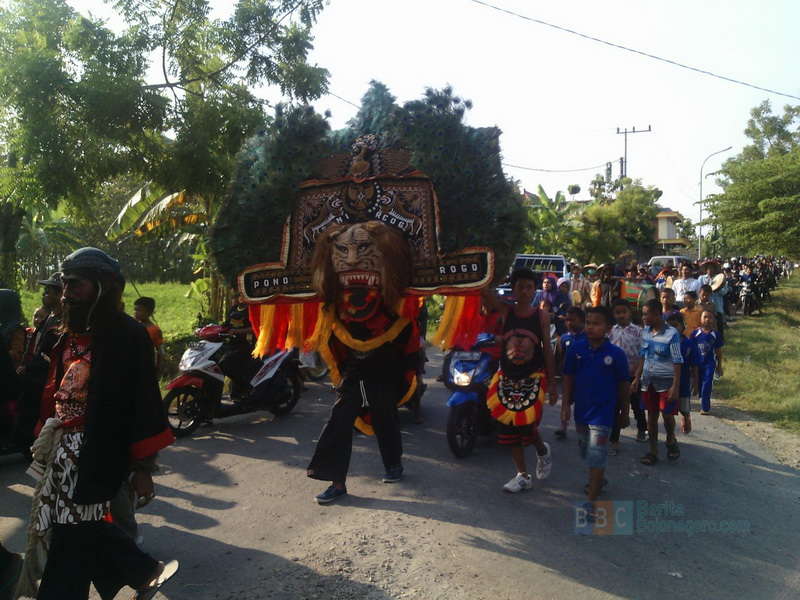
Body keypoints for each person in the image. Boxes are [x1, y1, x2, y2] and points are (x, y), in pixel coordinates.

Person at [17, 247, 177, 600]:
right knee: (73, 528)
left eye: (75, 284)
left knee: (72, 531)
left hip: (98, 452)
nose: (66, 292)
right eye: (64, 284)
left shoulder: (129, 336)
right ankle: (139, 570)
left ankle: (131, 572)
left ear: (103, 287)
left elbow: (143, 404)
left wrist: (142, 467)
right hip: (61, 451)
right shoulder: (64, 334)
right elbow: (51, 392)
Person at [306, 223, 420, 504]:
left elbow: (407, 319)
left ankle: (393, 463)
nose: (352, 259)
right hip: (354, 365)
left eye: (364, 249)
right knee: (340, 417)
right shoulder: (334, 292)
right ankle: (336, 481)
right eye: (343, 250)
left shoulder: (395, 287)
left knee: (385, 414)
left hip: (385, 361)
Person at [484, 268, 558, 493]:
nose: (524, 291)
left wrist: (553, 383)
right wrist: (478, 272)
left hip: (533, 377)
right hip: (506, 376)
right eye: (520, 286)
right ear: (513, 288)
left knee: (526, 425)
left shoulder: (541, 316)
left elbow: (547, 351)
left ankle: (542, 451)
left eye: (528, 287)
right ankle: (522, 475)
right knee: (509, 427)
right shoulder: (506, 311)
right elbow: (483, 293)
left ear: (534, 289)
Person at [562, 306, 630, 516]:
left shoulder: (616, 354)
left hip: (603, 414)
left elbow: (624, 385)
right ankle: (599, 478)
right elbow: (568, 377)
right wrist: (565, 405)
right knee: (585, 451)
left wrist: (625, 412)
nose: (591, 327)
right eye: (589, 323)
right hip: (582, 411)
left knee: (597, 454)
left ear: (608, 328)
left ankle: (591, 501)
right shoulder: (576, 348)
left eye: (596, 323)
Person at [632, 299, 683, 466]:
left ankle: (671, 438)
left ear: (657, 314)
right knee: (651, 418)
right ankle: (652, 451)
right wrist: (636, 377)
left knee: (667, 416)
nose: (644, 317)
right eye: (643, 314)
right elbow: (642, 356)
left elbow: (677, 360)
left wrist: (675, 386)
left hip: (666, 382)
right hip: (648, 382)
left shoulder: (672, 334)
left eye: (647, 314)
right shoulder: (645, 332)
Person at [609, 299, 647, 445]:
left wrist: (638, 376)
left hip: (632, 375)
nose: (621, 315)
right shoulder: (611, 331)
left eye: (624, 312)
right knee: (615, 407)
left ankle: (642, 429)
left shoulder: (638, 332)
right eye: (617, 313)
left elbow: (643, 355)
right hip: (615, 377)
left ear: (630, 313)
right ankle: (614, 439)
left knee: (637, 405)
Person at [554, 306, 586, 440]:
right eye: (567, 320)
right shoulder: (563, 338)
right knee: (565, 402)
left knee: (582, 405)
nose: (569, 323)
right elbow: (558, 358)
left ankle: (583, 430)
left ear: (582, 321)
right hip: (567, 378)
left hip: (583, 379)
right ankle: (563, 427)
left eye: (573, 320)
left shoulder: (588, 338)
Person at [666, 314, 699, 434]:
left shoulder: (689, 344)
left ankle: (686, 417)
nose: (672, 329)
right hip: (666, 381)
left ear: (682, 326)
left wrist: (695, 382)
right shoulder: (663, 343)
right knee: (667, 409)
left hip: (684, 382)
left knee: (683, 407)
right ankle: (670, 434)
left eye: (675, 326)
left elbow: (695, 364)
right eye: (669, 326)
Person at [691, 310, 724, 415]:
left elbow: (718, 352)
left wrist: (719, 366)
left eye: (710, 317)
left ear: (714, 320)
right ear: (700, 319)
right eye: (705, 317)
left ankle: (705, 407)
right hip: (697, 363)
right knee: (700, 383)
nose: (707, 319)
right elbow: (691, 349)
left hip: (709, 364)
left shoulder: (715, 335)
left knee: (707, 383)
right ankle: (702, 399)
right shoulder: (695, 333)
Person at [133, 296, 164, 372]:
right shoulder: (132, 325)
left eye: (139, 310)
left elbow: (160, 350)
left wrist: (158, 367)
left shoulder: (154, 330)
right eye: (135, 310)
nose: (135, 313)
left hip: (146, 364)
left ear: (149, 312)